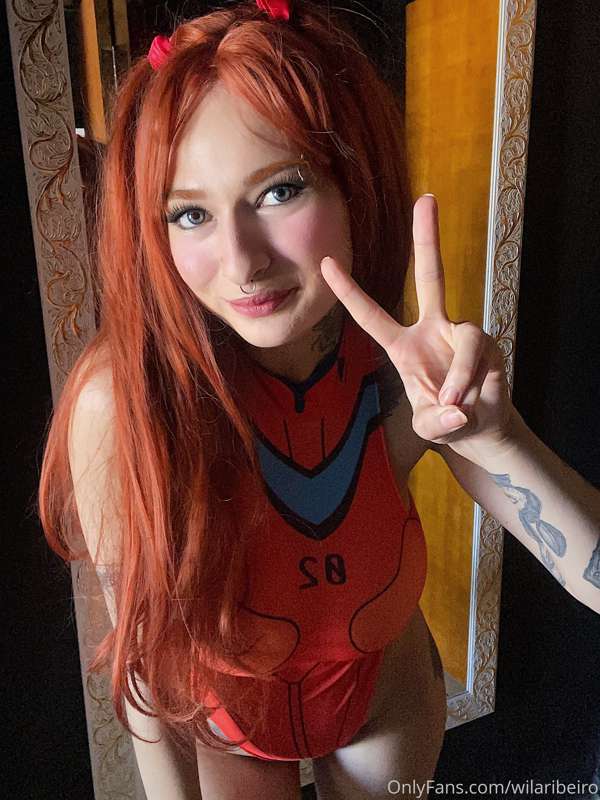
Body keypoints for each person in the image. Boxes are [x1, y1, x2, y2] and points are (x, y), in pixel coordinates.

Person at [38, 1, 600, 798]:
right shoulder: (125, 407)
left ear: (353, 184)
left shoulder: (399, 381)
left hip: (385, 704)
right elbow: (145, 666)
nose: (242, 262)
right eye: (190, 213)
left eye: (279, 191)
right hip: (234, 737)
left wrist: (498, 437)